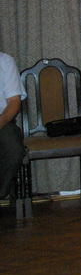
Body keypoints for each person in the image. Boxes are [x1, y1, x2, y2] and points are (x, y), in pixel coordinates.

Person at [0, 52, 26, 200]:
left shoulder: (5, 61)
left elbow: (14, 103)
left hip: (2, 119)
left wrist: (1, 121)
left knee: (14, 150)